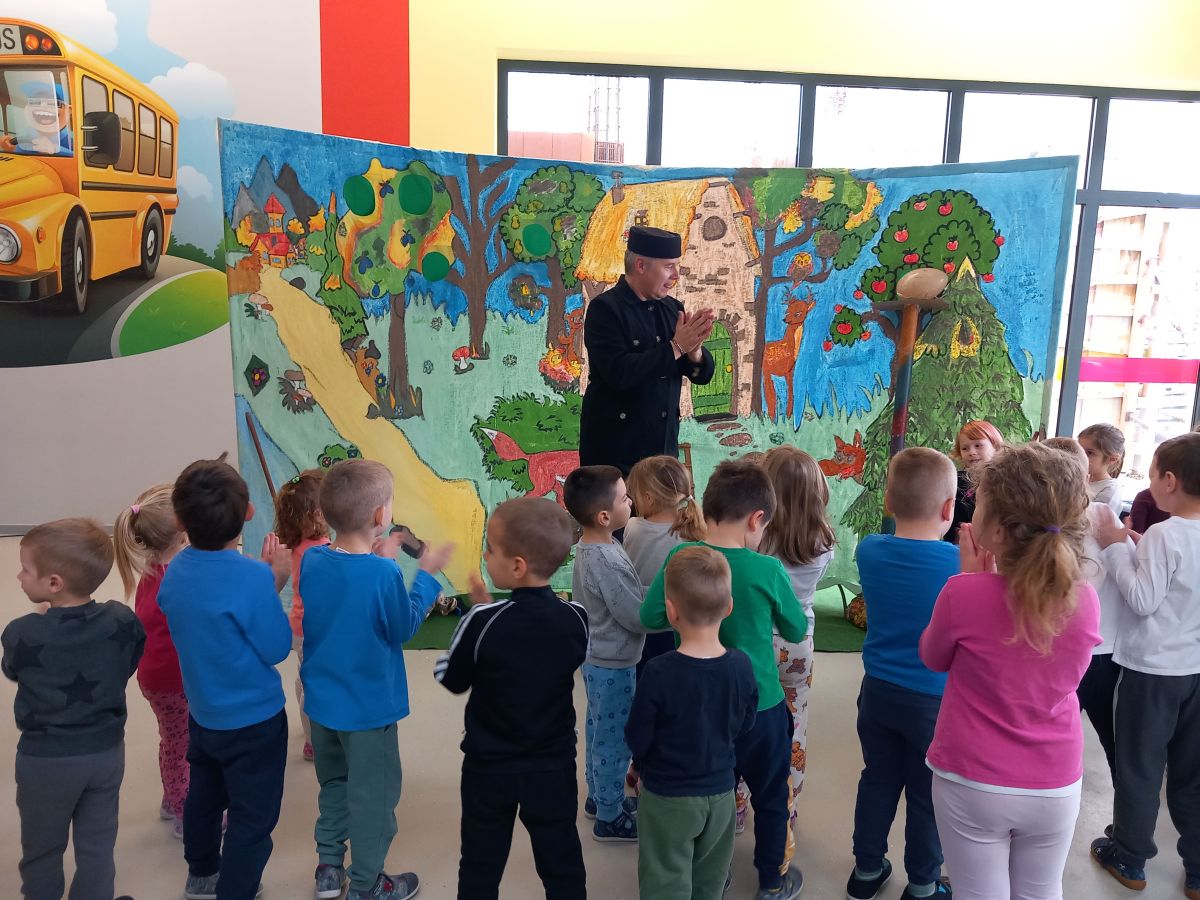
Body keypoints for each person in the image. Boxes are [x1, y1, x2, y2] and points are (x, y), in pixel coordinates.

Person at [920, 443, 1101, 900]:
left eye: (978, 500)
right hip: (1056, 780)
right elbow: (1066, 676)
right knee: (1042, 891)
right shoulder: (1086, 601)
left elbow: (933, 657)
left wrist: (969, 581)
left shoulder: (961, 593)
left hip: (972, 778)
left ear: (997, 530)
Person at [641, 459, 807, 900]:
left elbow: (650, 617)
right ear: (757, 519)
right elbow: (795, 629)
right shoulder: (767, 570)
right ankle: (771, 881)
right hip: (763, 706)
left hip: (699, 709)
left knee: (714, 791)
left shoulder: (681, 558)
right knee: (771, 797)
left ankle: (715, 874)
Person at [299, 459, 452, 900]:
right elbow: (402, 627)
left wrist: (377, 557)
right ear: (381, 516)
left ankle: (329, 869)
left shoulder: (312, 559)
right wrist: (426, 578)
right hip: (367, 712)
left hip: (322, 704)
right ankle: (367, 884)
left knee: (334, 785)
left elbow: (347, 588)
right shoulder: (384, 573)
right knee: (374, 798)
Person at [435, 497, 589, 900]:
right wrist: (487, 615)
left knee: (480, 865)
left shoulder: (482, 621)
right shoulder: (576, 617)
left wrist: (479, 616)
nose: (485, 555)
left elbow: (452, 678)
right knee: (562, 862)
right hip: (553, 766)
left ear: (517, 565)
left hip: (489, 768)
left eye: (490, 548)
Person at [158, 455, 293, 900]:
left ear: (180, 521)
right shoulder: (253, 576)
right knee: (252, 817)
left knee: (204, 797)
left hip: (204, 715)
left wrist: (260, 582)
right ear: (249, 513)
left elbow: (205, 617)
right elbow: (275, 648)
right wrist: (272, 581)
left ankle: (201, 876)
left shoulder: (174, 572)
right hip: (256, 722)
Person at [2, 518, 144, 900]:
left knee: (42, 848)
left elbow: (14, 669)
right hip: (106, 753)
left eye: (25, 569)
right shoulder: (121, 620)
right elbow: (128, 661)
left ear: (54, 584)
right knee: (97, 846)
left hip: (45, 761)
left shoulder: (22, 633)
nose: (18, 577)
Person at [1090, 432, 1200, 898]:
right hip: (1195, 670)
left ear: (1169, 481)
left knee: (1140, 766)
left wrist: (1116, 546)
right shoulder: (1174, 536)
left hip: (1152, 673)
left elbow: (1142, 599)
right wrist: (1138, 550)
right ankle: (1198, 869)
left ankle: (1129, 857)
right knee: (1191, 773)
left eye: (1152, 474)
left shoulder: (1164, 533)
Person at [846, 448, 959, 900]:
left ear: (888, 502)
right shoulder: (957, 565)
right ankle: (923, 884)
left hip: (877, 692)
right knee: (927, 794)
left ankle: (866, 871)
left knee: (877, 779)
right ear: (949, 509)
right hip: (933, 701)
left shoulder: (869, 550)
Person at [625, 546, 759, 900]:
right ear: (728, 607)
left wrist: (639, 764)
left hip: (667, 795)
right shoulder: (742, 666)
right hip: (721, 792)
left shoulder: (658, 672)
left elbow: (638, 734)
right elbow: (746, 721)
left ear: (670, 611)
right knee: (710, 879)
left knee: (665, 878)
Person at [746, 446, 835, 852]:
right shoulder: (823, 543)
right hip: (799, 646)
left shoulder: (756, 541)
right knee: (794, 725)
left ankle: (738, 801)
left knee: (746, 720)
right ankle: (787, 805)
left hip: (756, 644)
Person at [579, 224, 717, 475]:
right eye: (668, 266)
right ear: (641, 265)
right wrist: (677, 346)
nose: (676, 275)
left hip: (663, 453)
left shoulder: (673, 308)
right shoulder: (605, 309)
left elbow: (701, 376)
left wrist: (694, 350)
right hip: (614, 457)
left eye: (676, 266)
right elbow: (619, 373)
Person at [564, 465, 646, 842]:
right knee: (614, 739)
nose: (631, 502)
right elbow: (633, 616)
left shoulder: (594, 546)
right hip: (613, 663)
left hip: (597, 658)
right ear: (604, 516)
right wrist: (668, 611)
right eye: (625, 498)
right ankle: (610, 817)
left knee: (600, 730)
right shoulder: (607, 559)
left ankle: (600, 798)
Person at [1043, 436, 1130, 784]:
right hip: (1101, 649)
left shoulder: (1035, 524)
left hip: (1065, 649)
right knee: (1117, 748)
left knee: (1047, 736)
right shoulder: (1101, 515)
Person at [113, 485, 191, 839]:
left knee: (172, 740)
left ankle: (173, 799)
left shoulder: (151, 571)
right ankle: (185, 813)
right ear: (184, 532)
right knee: (183, 746)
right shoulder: (179, 578)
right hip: (175, 680)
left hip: (155, 677)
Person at [625, 455, 706, 676]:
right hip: (685, 627)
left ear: (648, 498)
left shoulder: (634, 527)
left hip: (645, 625)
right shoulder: (695, 531)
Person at [271, 469, 330, 763]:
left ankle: (308, 730)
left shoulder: (295, 544)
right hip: (315, 630)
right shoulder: (322, 551)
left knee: (304, 677)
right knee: (314, 687)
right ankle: (312, 742)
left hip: (298, 627)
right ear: (317, 514)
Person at [946, 420, 1004, 544]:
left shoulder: (1004, 481)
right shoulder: (955, 480)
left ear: (996, 447)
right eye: (965, 448)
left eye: (978, 446)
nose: (971, 452)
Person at [0, 80, 73, 156]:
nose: (43, 106)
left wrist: (55, 150)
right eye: (35, 102)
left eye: (53, 103)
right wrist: (10, 149)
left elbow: (78, 157)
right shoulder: (25, 136)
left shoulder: (72, 140)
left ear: (68, 110)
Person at [1078, 423, 1125, 516]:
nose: (1081, 456)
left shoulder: (1110, 490)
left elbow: (1095, 522)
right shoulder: (1077, 479)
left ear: (1112, 459)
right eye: (1079, 450)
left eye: (1089, 453)